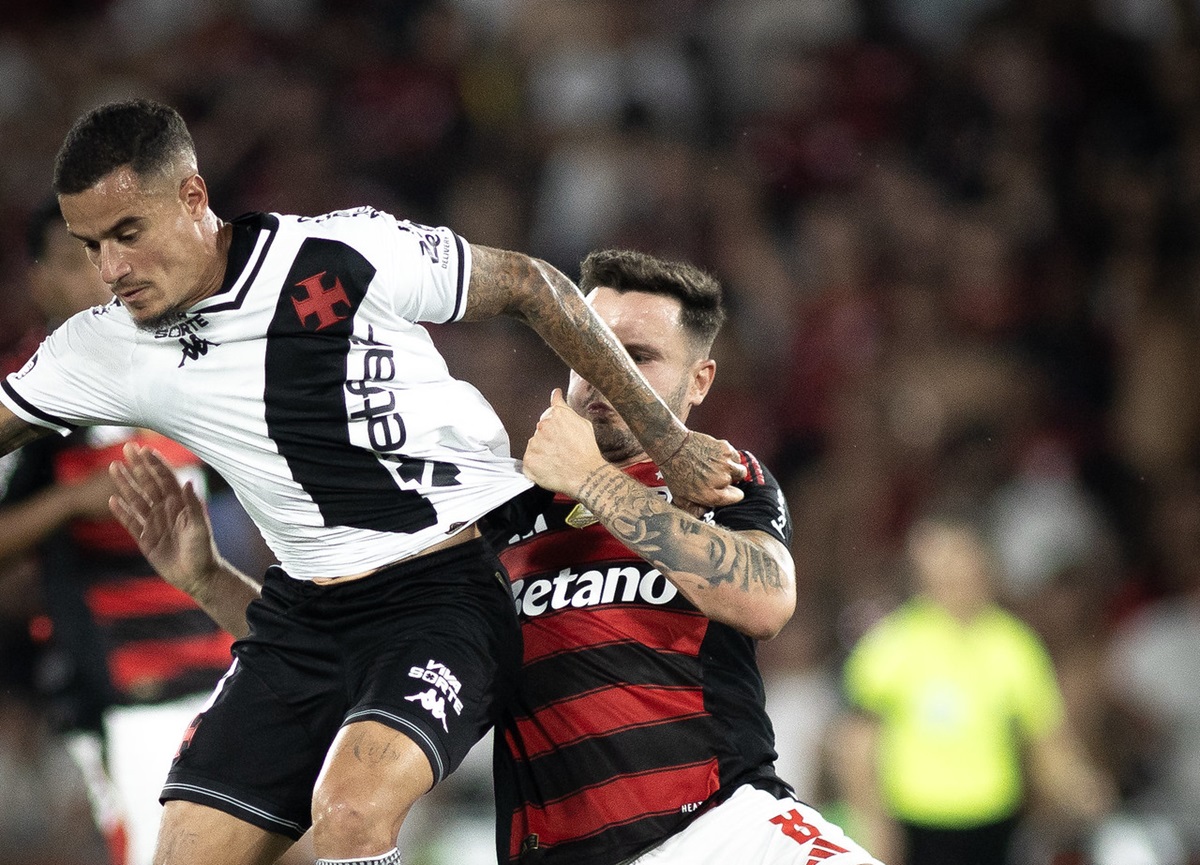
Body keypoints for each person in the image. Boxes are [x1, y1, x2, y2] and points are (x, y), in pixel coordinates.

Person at [0, 99, 745, 865]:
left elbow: (529, 284)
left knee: (352, 812)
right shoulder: (102, 346)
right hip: (302, 617)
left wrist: (668, 437)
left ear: (193, 198)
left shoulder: (340, 253)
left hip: (443, 592)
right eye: (92, 247)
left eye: (128, 234)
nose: (112, 270)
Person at [109, 249, 882, 865]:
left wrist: (593, 481)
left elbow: (764, 599)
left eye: (638, 357)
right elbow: (351, 663)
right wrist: (208, 579)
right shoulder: (486, 515)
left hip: (720, 831)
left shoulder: (712, 476)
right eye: (594, 349)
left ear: (699, 380)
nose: (607, 378)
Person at [0, 199, 235, 865]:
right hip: (123, 689)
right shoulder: (28, 399)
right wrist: (72, 500)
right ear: (41, 279)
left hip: (226, 668)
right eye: (79, 260)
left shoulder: (179, 368)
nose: (103, 274)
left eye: (110, 253)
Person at [836, 508, 1114, 865]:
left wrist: (1084, 791)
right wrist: (874, 827)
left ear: (982, 563)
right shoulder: (891, 645)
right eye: (937, 562)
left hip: (994, 825)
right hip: (916, 825)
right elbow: (859, 745)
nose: (949, 572)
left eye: (958, 558)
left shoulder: (1014, 644)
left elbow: (1046, 740)